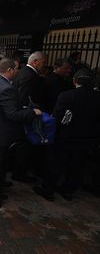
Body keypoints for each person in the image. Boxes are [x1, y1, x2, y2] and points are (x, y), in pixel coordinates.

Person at [0, 58, 40, 202]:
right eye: (17, 69)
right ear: (9, 70)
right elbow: (12, 114)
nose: (18, 72)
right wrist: (33, 112)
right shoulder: (6, 88)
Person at [34, 68, 100, 201]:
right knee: (76, 165)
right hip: (86, 138)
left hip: (65, 136)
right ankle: (68, 190)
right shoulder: (97, 97)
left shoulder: (66, 96)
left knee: (56, 164)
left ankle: (48, 190)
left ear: (75, 81)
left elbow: (57, 117)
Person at [12, 51, 47, 182]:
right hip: (27, 115)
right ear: (35, 62)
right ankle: (19, 173)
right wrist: (31, 111)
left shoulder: (25, 72)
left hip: (25, 114)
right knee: (24, 146)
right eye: (43, 62)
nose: (45, 65)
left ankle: (18, 170)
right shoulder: (29, 75)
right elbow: (23, 98)